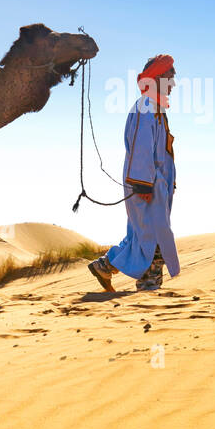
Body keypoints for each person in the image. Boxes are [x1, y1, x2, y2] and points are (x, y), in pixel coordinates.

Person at [88, 54, 180, 292]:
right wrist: (143, 184)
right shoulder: (144, 108)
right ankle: (149, 291)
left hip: (155, 187)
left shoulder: (156, 109)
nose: (174, 83)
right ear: (158, 78)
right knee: (153, 239)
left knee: (143, 236)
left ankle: (105, 267)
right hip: (144, 186)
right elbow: (140, 147)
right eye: (170, 76)